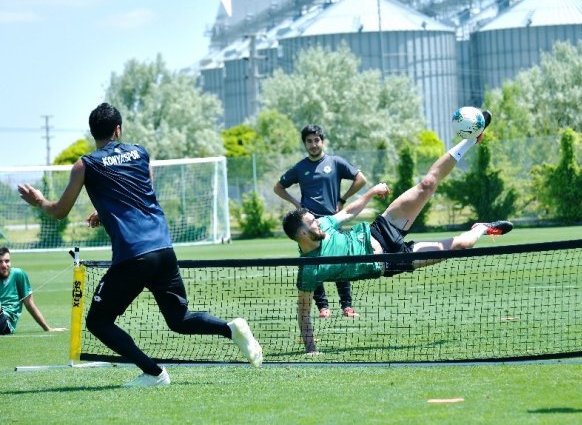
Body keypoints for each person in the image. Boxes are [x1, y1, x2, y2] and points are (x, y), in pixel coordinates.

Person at [17, 103, 262, 387]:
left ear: (92, 132)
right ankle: (230, 328)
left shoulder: (85, 164)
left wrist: (38, 201)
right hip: (163, 249)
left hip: (134, 255)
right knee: (179, 319)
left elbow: (59, 211)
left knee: (98, 322)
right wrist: (106, 212)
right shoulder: (140, 152)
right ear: (118, 129)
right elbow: (144, 193)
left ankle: (154, 373)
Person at [282, 112, 514, 354]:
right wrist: (311, 349)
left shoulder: (326, 224)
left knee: (427, 185)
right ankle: (482, 228)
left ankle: (470, 140)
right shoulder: (308, 269)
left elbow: (349, 212)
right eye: (312, 223)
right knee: (459, 248)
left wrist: (371, 193)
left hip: (380, 230)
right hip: (391, 262)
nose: (318, 223)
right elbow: (303, 312)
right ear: (303, 235)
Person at [274, 124, 367, 319]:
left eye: (316, 140)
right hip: (309, 224)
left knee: (341, 261)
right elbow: (278, 187)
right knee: (314, 267)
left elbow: (361, 179)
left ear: (322, 141)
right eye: (309, 141)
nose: (313, 144)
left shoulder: (335, 162)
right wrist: (296, 204)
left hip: (333, 221)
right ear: (305, 144)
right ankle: (323, 307)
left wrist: (342, 199)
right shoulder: (300, 168)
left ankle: (347, 306)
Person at [0, 246, 67, 335]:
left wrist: (47, 328)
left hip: (5, 323)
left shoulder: (18, 274)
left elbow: (29, 304)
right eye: (0, 262)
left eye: (7, 261)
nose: (4, 265)